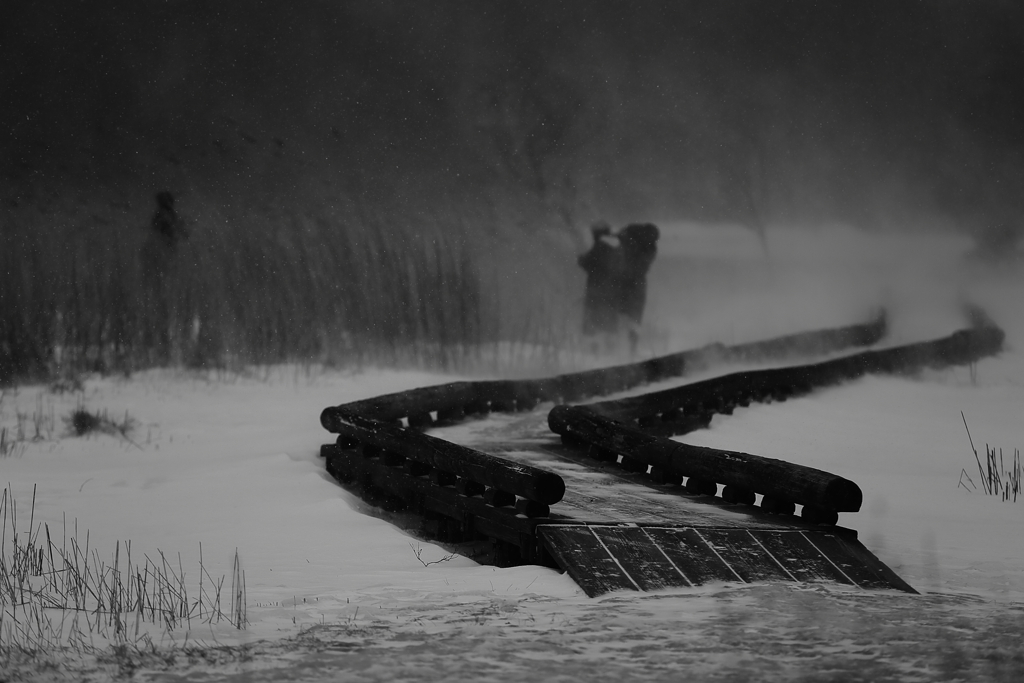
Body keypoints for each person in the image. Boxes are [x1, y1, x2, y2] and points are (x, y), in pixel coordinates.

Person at [615, 223, 660, 353]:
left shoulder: (629, 241)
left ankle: (621, 348)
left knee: (622, 314)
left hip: (625, 282)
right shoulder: (650, 247)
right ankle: (631, 348)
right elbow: (643, 265)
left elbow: (624, 259)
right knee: (635, 317)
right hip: (637, 283)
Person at [578, 222, 620, 335]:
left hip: (596, 287)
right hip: (612, 288)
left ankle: (593, 342)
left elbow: (588, 263)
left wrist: (581, 260)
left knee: (593, 314)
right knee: (610, 314)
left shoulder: (599, 246)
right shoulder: (616, 247)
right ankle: (610, 341)